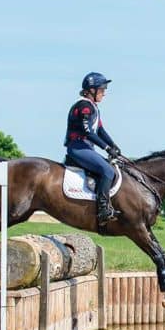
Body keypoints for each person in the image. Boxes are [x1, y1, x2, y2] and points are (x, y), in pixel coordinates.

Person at [64, 72, 122, 226]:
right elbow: (87, 132)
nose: (104, 93)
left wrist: (114, 145)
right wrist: (107, 148)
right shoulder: (84, 107)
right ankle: (103, 210)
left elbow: (100, 131)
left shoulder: (93, 107)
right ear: (91, 90)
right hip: (78, 147)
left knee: (111, 168)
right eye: (102, 89)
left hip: (86, 147)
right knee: (108, 171)